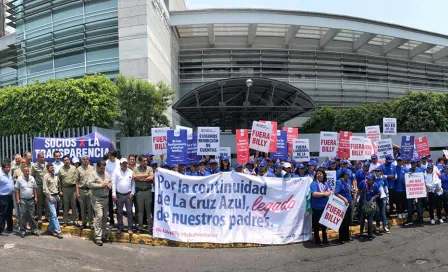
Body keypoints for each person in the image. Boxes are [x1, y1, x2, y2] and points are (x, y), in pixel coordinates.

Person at [88, 160, 112, 246]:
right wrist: (100, 185)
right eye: (101, 168)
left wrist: (109, 185)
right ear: (97, 167)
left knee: (105, 217)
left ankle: (103, 234)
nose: (103, 170)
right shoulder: (93, 174)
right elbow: (89, 184)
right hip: (97, 199)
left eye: (104, 168)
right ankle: (97, 237)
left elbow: (110, 182)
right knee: (99, 216)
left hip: (105, 199)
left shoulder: (106, 174)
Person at [15, 166, 39, 238]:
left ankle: (34, 230)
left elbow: (34, 188)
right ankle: (22, 230)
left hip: (31, 199)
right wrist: (18, 199)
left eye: (28, 171)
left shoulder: (32, 178)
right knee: (23, 216)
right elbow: (17, 190)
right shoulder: (19, 179)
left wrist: (36, 197)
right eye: (25, 171)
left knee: (31, 216)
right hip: (23, 200)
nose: (27, 172)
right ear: (23, 171)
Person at [112, 158, 135, 235]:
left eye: (125, 163)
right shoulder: (116, 171)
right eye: (123, 163)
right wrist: (114, 194)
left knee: (129, 212)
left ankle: (130, 228)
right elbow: (114, 183)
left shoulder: (131, 172)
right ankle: (120, 227)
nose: (124, 164)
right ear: (120, 164)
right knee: (119, 212)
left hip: (128, 194)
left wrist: (132, 192)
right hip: (119, 194)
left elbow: (133, 183)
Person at [133, 155, 154, 234]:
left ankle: (150, 228)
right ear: (140, 161)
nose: (146, 162)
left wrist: (140, 178)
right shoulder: (136, 169)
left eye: (146, 160)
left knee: (148, 211)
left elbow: (151, 178)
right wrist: (145, 175)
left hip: (148, 191)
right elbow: (134, 177)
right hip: (139, 192)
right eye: (144, 161)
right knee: (140, 211)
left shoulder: (150, 168)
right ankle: (140, 227)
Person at [310, 169, 331, 246]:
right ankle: (317, 240)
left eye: (321, 174)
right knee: (316, 225)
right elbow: (314, 194)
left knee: (324, 225)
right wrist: (325, 194)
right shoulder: (314, 183)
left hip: (325, 207)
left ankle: (325, 239)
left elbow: (329, 191)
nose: (319, 175)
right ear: (316, 175)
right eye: (318, 174)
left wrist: (329, 192)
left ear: (324, 175)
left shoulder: (326, 183)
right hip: (316, 208)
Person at [43, 163, 63, 239]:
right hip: (50, 197)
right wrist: (49, 196)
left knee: (52, 215)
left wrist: (57, 195)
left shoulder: (55, 176)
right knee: (54, 215)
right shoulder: (46, 176)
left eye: (53, 168)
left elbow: (56, 187)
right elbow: (45, 189)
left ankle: (50, 229)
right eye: (51, 168)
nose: (53, 169)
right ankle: (58, 231)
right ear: (48, 169)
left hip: (55, 196)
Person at [357, 174, 380, 240]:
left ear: (373, 180)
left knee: (370, 219)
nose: (368, 180)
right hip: (363, 203)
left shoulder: (375, 185)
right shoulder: (362, 183)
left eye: (369, 179)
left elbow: (378, 194)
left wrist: (373, 198)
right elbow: (359, 191)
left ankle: (370, 234)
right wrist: (357, 199)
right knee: (362, 218)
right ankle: (361, 233)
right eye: (367, 179)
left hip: (370, 204)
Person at [75, 156, 94, 230]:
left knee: (90, 207)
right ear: (81, 161)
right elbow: (76, 181)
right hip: (81, 190)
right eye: (83, 159)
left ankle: (91, 223)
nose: (85, 160)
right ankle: (84, 222)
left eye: (86, 159)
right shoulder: (78, 169)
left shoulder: (92, 168)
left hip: (90, 190)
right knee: (82, 207)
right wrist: (77, 192)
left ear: (88, 160)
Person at [334, 169, 353, 244]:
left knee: (347, 221)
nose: (348, 176)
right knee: (342, 221)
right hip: (342, 204)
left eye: (349, 175)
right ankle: (341, 238)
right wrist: (344, 198)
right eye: (347, 175)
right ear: (343, 174)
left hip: (348, 202)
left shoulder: (348, 181)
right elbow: (336, 193)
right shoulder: (339, 182)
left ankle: (347, 236)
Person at [59, 155, 77, 227]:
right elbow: (59, 181)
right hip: (65, 189)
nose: (66, 161)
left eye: (67, 160)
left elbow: (76, 179)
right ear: (63, 161)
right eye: (65, 160)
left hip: (73, 189)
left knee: (73, 204)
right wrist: (60, 190)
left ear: (69, 160)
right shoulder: (61, 169)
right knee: (65, 205)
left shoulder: (74, 168)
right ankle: (65, 220)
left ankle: (74, 220)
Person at [406, 158, 424, 226]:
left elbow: (422, 181)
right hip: (411, 192)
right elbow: (405, 180)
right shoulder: (408, 170)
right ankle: (410, 219)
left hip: (418, 192)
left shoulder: (420, 170)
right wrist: (408, 176)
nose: (413, 164)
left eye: (414, 163)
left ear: (416, 163)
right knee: (410, 206)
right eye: (412, 163)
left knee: (419, 206)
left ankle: (420, 220)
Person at [31, 152, 48, 222]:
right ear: (38, 158)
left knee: (47, 202)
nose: (42, 158)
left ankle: (47, 216)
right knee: (39, 202)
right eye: (40, 157)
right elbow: (32, 176)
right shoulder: (35, 166)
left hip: (46, 185)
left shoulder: (47, 164)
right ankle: (39, 217)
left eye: (43, 157)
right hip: (39, 185)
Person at [106, 149, 120, 228]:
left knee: (119, 206)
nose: (109, 157)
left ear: (114, 156)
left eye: (110, 155)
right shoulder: (107, 163)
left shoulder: (119, 162)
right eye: (109, 155)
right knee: (110, 206)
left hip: (118, 186)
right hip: (110, 186)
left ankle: (119, 222)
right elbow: (104, 173)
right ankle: (111, 221)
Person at [0, 160, 14, 236]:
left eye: (9, 167)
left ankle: (10, 228)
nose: (8, 169)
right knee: (2, 213)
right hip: (2, 196)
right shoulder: (0, 174)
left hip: (9, 196)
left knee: (9, 213)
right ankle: (1, 230)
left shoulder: (9, 173)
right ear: (3, 168)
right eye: (7, 167)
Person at [374, 167, 389, 234]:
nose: (376, 172)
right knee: (377, 212)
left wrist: (388, 196)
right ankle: (377, 226)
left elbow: (386, 187)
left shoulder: (384, 178)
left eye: (377, 171)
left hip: (383, 197)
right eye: (375, 171)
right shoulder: (374, 179)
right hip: (376, 198)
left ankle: (385, 226)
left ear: (380, 172)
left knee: (383, 213)